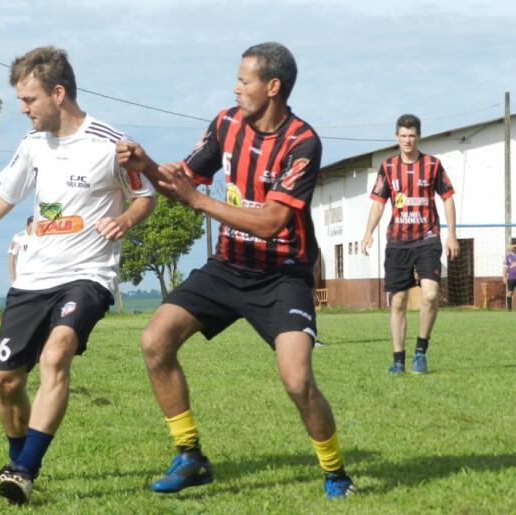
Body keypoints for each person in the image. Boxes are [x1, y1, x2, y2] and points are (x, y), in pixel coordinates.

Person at [118, 42, 356, 499]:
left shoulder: (303, 143)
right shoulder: (225, 124)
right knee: (155, 341)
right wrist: (144, 163)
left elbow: (271, 222)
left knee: (297, 379)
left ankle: (336, 475)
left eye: (244, 81)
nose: (236, 88)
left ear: (272, 87)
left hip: (283, 274)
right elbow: (182, 184)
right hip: (227, 266)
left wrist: (197, 200)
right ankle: (190, 456)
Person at [0, 46, 154, 505]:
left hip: (88, 274)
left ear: (58, 93)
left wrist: (126, 220)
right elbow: (3, 198)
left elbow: (145, 195)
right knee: (5, 382)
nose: (22, 108)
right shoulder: (33, 145)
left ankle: (24, 470)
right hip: (33, 278)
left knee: (56, 355)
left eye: (29, 99)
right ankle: (16, 464)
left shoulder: (111, 145)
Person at [361, 114, 459, 375]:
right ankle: (398, 360)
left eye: (412, 136)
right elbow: (378, 203)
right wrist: (368, 232)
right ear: (397, 137)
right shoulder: (387, 167)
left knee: (430, 294)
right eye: (403, 136)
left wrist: (451, 235)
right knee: (398, 301)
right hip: (398, 242)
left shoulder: (433, 165)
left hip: (427, 239)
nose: (407, 140)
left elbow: (448, 198)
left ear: (419, 137)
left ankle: (420, 352)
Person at [8, 216, 33, 285]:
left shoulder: (39, 237)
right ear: (27, 225)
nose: (33, 228)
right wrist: (13, 276)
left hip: (35, 276)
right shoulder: (18, 236)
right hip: (21, 276)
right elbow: (11, 256)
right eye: (31, 226)